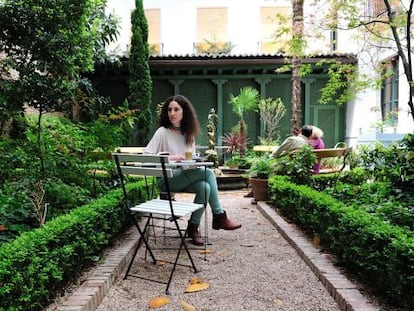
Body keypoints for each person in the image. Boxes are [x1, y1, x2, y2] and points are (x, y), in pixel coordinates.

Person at [144, 95, 241, 246]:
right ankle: (219, 215)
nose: (172, 113)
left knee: (205, 187)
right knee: (208, 173)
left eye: (176, 109)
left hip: (184, 176)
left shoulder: (188, 134)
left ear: (184, 112)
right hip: (166, 180)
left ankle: (193, 227)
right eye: (169, 110)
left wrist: (194, 162)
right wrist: (170, 157)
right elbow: (147, 157)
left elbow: (188, 163)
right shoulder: (162, 132)